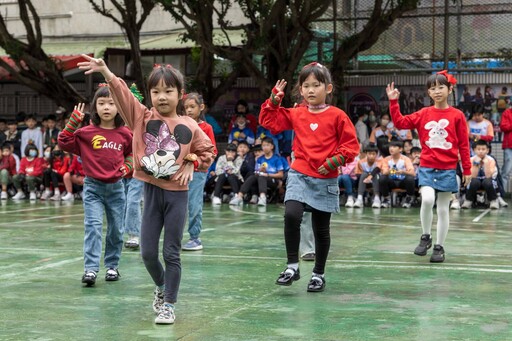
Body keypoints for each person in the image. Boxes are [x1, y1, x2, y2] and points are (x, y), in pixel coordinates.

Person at [78, 57, 214, 325]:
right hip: (151, 194)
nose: (161, 97)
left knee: (171, 252)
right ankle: (163, 286)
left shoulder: (190, 125)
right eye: (155, 92)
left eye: (168, 91)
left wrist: (192, 161)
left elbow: (208, 151)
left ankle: (169, 304)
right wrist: (106, 71)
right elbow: (122, 94)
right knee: (148, 253)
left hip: (177, 195)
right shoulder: (141, 117)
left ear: (179, 94)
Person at [259, 62, 359, 292]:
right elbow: (268, 121)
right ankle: (292, 266)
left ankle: (319, 273)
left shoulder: (338, 116)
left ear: (329, 88)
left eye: (317, 85)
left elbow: (351, 146)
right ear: (300, 90)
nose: (311, 90)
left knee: (321, 229)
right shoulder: (296, 113)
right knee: (291, 215)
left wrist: (333, 162)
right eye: (306, 86)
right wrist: (274, 99)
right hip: (299, 173)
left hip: (325, 178)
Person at [386, 70, 471, 263]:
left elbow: (464, 145)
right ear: (429, 93)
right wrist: (393, 102)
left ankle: (439, 247)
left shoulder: (457, 115)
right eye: (433, 88)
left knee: (442, 209)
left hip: (448, 168)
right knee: (426, 200)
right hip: (426, 167)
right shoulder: (423, 113)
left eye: (441, 87)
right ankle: (426, 237)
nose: (437, 91)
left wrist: (466, 169)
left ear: (450, 89)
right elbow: (400, 122)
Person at [58, 85, 133, 288]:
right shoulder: (85, 133)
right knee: (93, 227)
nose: (106, 107)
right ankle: (90, 269)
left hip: (117, 188)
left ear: (119, 107)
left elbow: (132, 153)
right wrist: (74, 121)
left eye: (111, 103)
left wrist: (127, 167)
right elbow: (64, 142)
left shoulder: (125, 133)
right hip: (93, 188)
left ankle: (112, 266)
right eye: (101, 103)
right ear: (95, 107)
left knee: (116, 229)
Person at [183, 92, 217, 251]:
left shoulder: (206, 127)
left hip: (197, 172)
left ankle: (195, 238)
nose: (189, 110)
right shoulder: (181, 124)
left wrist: (199, 161)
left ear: (201, 107)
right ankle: (175, 237)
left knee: (194, 204)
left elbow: (213, 151)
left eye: (192, 107)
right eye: (186, 107)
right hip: (179, 171)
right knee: (177, 205)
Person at [229, 137, 285, 207]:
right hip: (262, 178)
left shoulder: (277, 159)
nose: (265, 147)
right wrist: (260, 170)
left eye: (267, 145)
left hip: (273, 180)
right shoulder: (260, 159)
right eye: (263, 145)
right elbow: (256, 173)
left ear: (272, 146)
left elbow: (281, 174)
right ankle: (239, 196)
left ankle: (262, 197)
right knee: (253, 176)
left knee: (262, 176)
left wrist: (267, 174)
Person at [461, 140, 499, 209]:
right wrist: (476, 163)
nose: (481, 151)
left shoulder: (491, 160)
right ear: (474, 150)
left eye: (483, 149)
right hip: (476, 181)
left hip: (487, 181)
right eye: (478, 149)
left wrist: (486, 164)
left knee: (488, 182)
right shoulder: (471, 160)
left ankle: (493, 200)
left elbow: (488, 176)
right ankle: (469, 200)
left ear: (487, 150)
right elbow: (473, 176)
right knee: (473, 181)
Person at [378, 140, 416, 208]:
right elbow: (384, 172)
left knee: (410, 179)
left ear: (400, 149)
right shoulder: (386, 159)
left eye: (394, 147)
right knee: (382, 178)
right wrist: (393, 171)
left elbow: (413, 173)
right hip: (391, 181)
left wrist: (403, 172)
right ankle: (387, 199)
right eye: (390, 147)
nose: (391, 148)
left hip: (402, 181)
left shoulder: (406, 159)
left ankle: (409, 198)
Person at [500, 101, 512, 191]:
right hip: (509, 146)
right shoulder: (506, 113)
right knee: (506, 171)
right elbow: (503, 127)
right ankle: (502, 194)